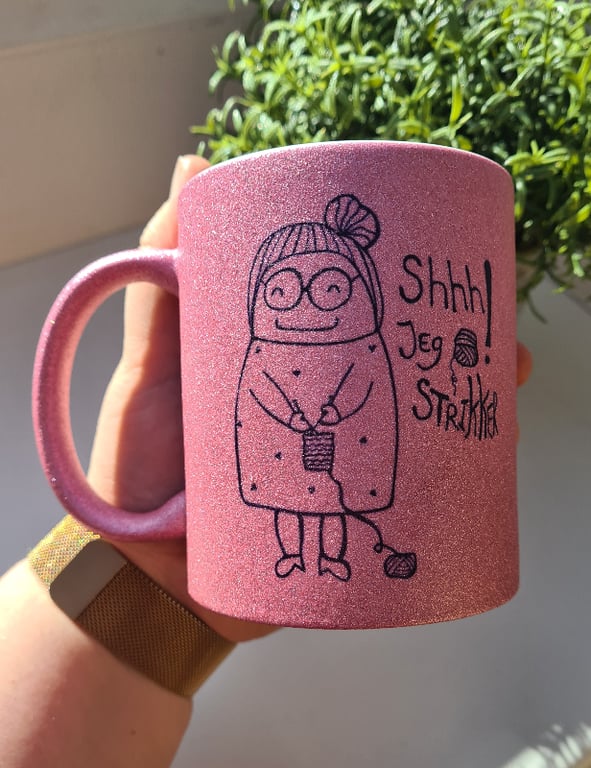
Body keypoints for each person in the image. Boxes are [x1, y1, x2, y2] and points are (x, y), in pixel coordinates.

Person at [0, 156, 533, 768]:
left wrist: (333, 412)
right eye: (284, 290)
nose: (309, 306)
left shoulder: (366, 351)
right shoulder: (259, 353)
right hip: (278, 452)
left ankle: (329, 558)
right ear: (260, 296)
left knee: (334, 508)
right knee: (290, 506)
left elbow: (366, 394)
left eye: (331, 289)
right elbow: (258, 397)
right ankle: (296, 557)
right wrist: (143, 555)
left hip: (342, 447)